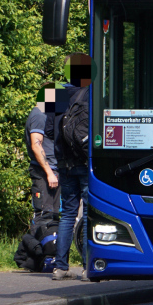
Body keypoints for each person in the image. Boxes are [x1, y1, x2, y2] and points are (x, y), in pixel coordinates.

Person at [53, 52, 92, 280]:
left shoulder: (53, 91)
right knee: (87, 213)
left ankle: (60, 267)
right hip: (85, 160)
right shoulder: (91, 92)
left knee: (67, 214)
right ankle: (88, 267)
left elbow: (48, 129)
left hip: (64, 162)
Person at [25, 82, 59, 230]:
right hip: (44, 173)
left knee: (53, 215)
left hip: (51, 170)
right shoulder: (39, 114)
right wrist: (50, 173)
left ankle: (50, 250)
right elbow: (36, 145)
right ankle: (39, 251)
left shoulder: (47, 114)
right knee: (44, 215)